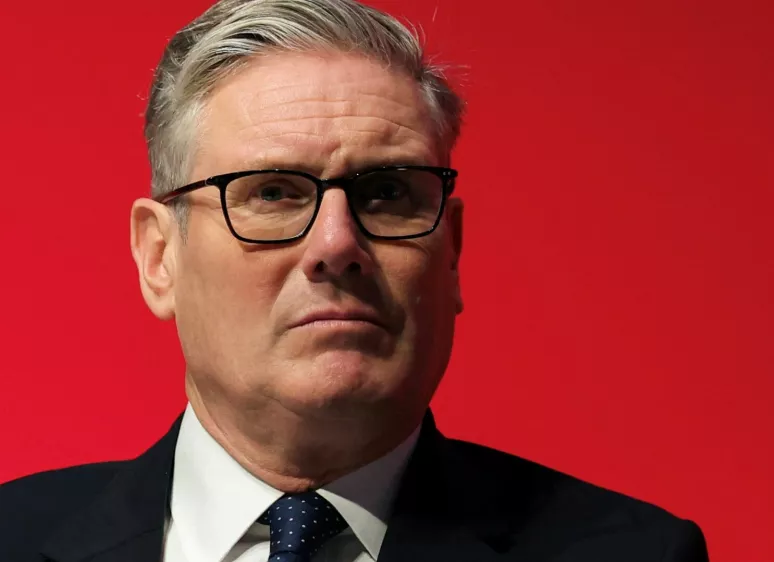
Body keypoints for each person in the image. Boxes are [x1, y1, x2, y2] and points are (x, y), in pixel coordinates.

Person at [0, 1, 709, 560]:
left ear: (452, 253)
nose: (337, 244)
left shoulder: (639, 551)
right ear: (160, 257)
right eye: (273, 193)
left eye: (388, 194)